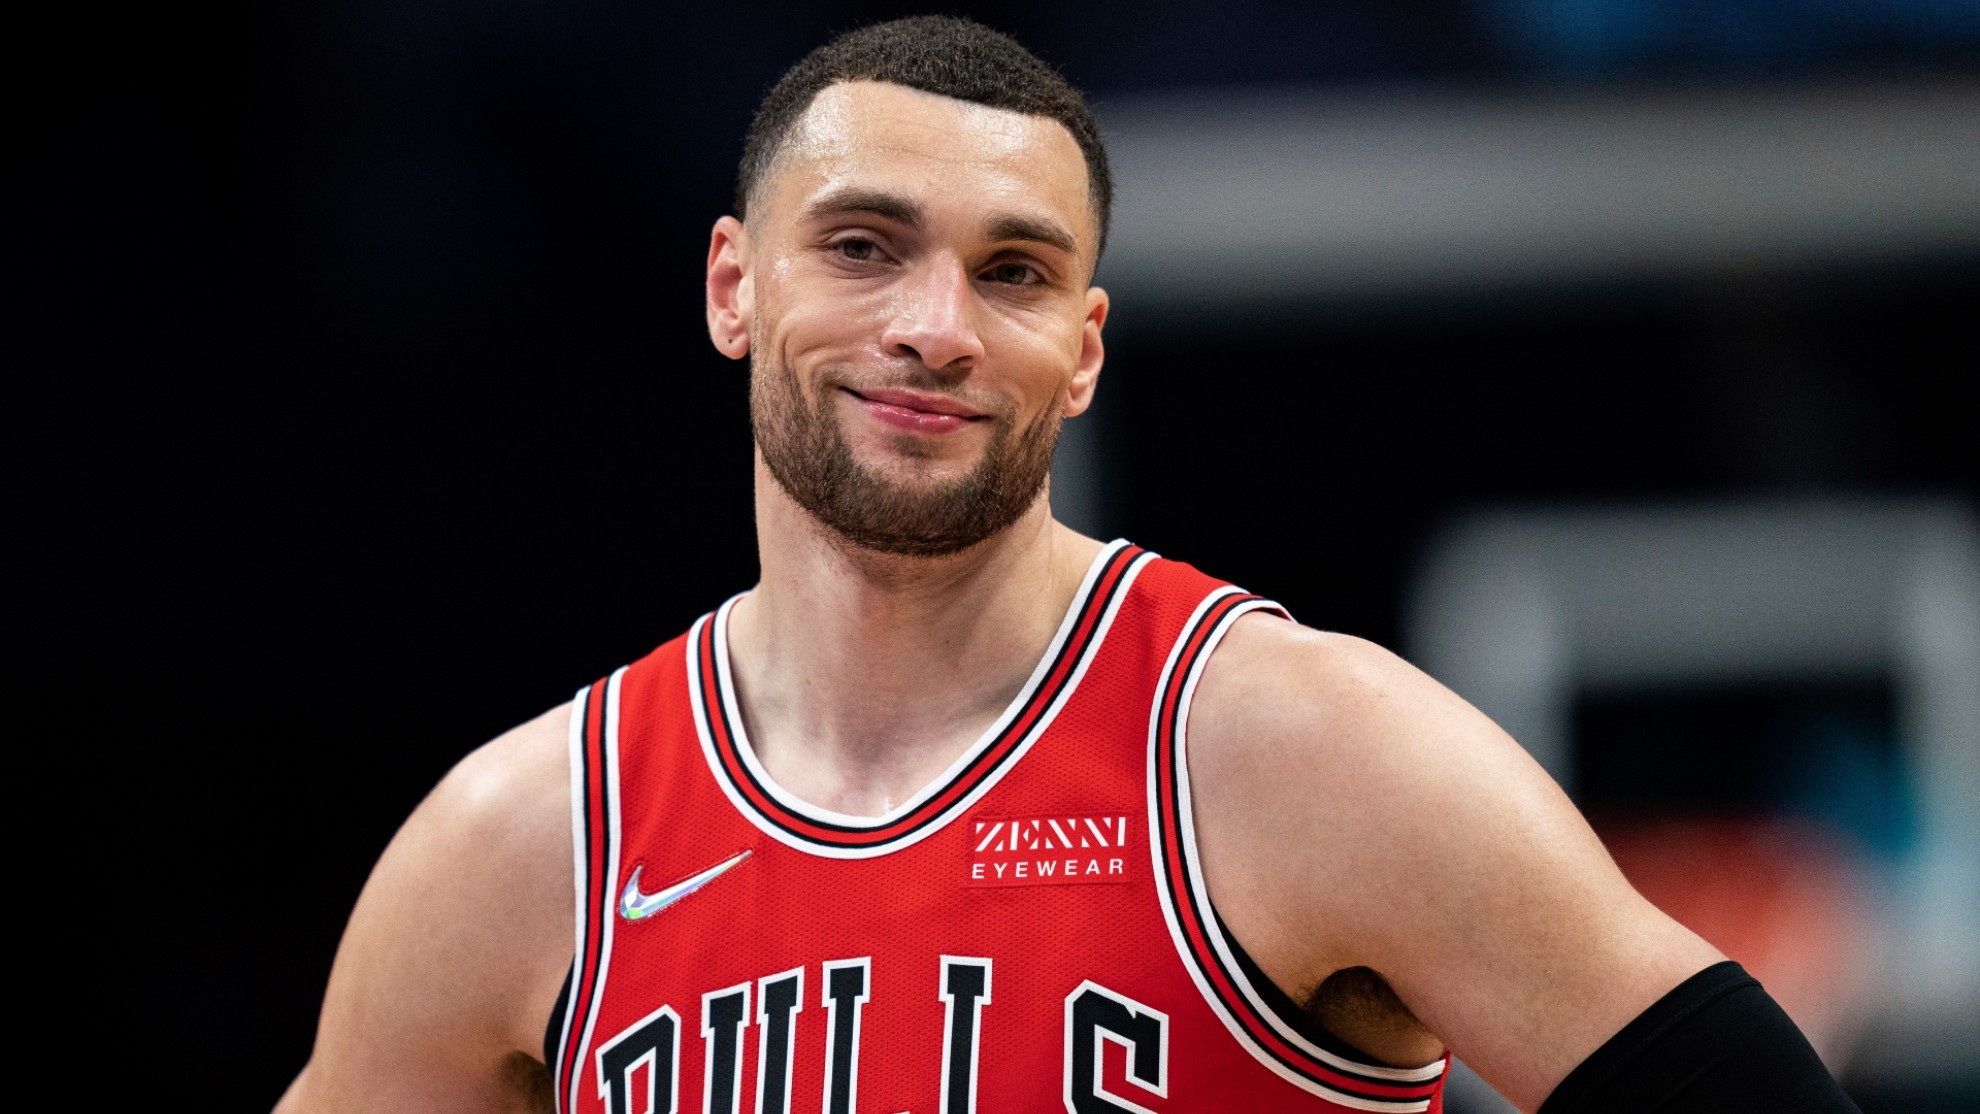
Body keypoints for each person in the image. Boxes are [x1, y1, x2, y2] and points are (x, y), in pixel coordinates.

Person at [276, 16, 1858, 1114]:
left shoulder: (1297, 749)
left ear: (1084, 350)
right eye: (862, 244)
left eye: (1013, 271)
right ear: (731, 285)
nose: (936, 326)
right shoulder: (523, 842)